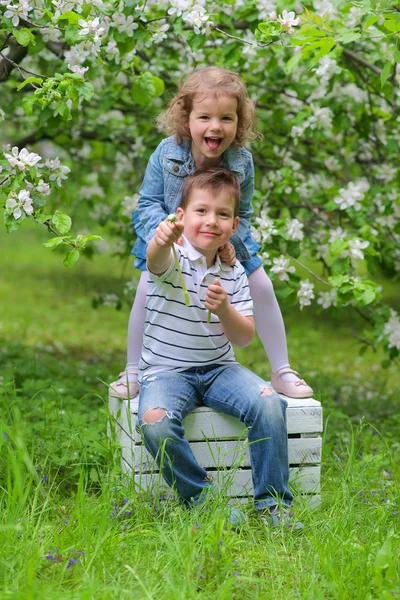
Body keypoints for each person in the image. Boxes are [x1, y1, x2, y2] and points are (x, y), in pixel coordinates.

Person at [110, 66, 313, 400]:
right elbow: (146, 203)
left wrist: (227, 243)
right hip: (172, 239)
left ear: (239, 122)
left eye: (227, 118)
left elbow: (242, 214)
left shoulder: (241, 161)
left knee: (261, 285)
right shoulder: (166, 153)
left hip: (223, 238)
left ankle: (281, 369)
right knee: (148, 287)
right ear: (186, 119)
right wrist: (166, 233)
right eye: (204, 117)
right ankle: (133, 370)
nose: (215, 127)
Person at [137, 167, 298, 527]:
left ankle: (274, 505)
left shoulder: (234, 272)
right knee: (154, 423)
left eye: (222, 214)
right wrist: (161, 239)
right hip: (166, 371)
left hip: (219, 369)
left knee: (269, 403)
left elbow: (243, 338)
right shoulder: (172, 257)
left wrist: (224, 308)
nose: (211, 221)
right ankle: (202, 499)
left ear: (234, 224)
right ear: (181, 217)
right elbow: (154, 260)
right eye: (201, 211)